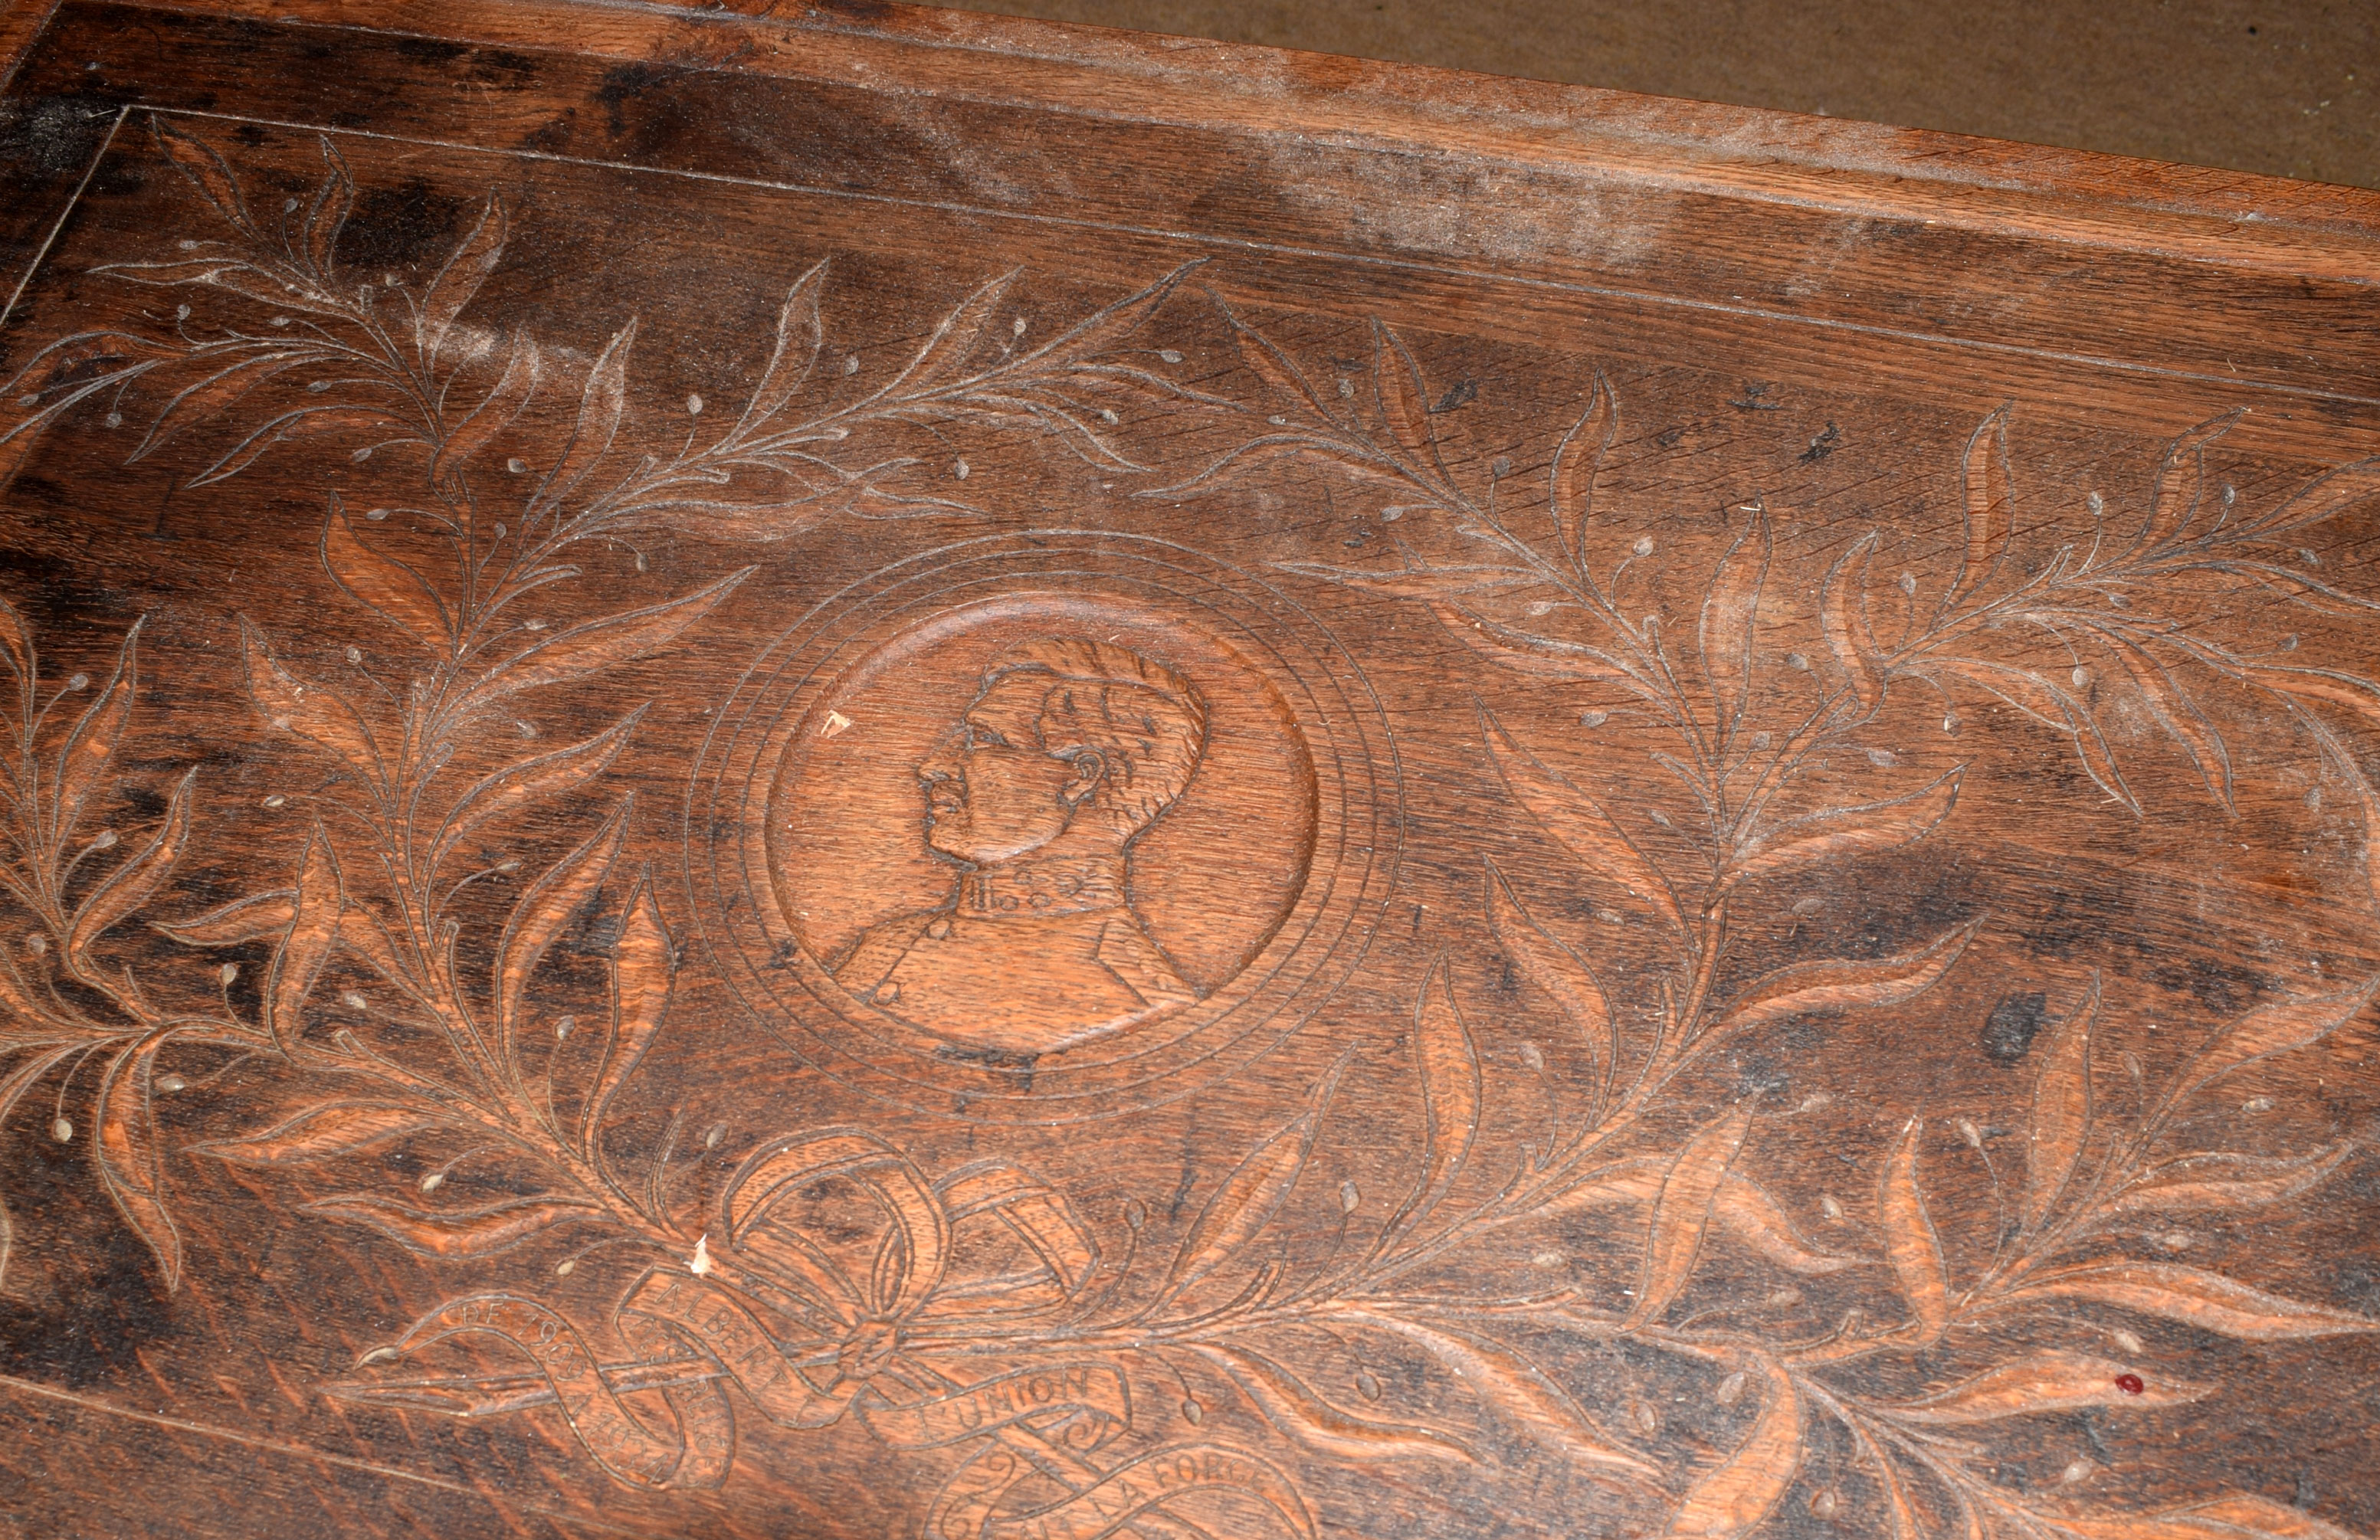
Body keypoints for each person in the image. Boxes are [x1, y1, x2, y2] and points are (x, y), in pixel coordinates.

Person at [830, 636, 1208, 1057]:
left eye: (984, 740)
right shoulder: (884, 949)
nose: (934, 766)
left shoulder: (1143, 1007)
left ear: (1080, 777)